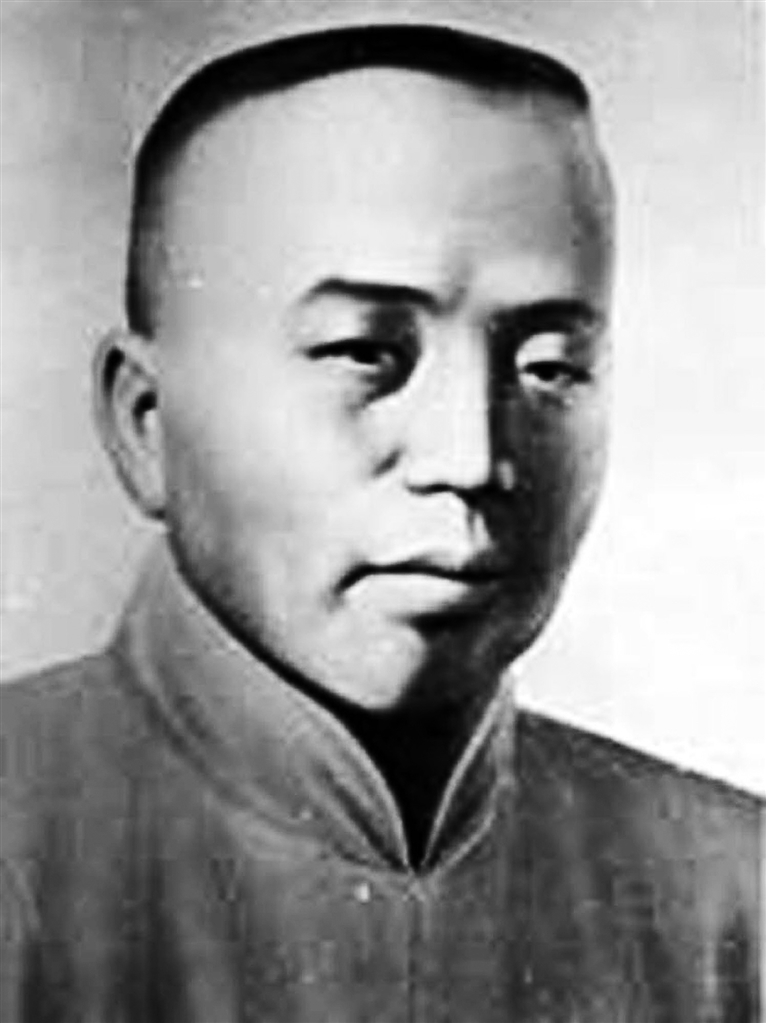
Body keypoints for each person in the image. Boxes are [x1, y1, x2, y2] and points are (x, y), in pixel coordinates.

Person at [0, 22, 760, 1023]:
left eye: (548, 368)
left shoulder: (734, 903)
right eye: (365, 351)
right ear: (146, 421)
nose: (469, 458)